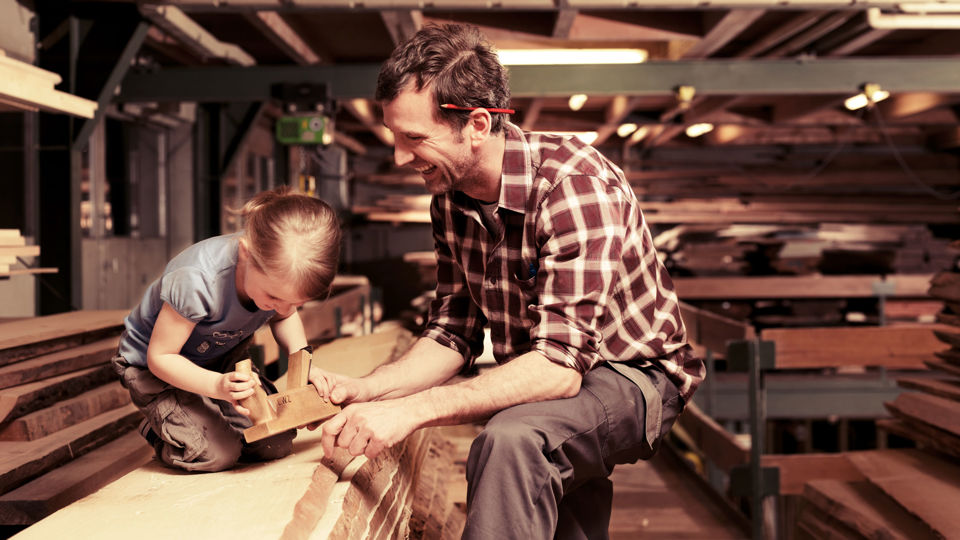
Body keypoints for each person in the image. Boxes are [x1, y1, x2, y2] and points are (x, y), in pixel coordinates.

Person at [313, 23, 704, 539]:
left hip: (632, 376)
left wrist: (413, 411)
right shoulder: (449, 200)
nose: (399, 157)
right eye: (394, 136)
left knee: (514, 441)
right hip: (549, 374)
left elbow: (561, 370)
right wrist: (370, 389)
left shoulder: (572, 187)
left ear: (477, 124)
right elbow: (453, 333)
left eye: (414, 138)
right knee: (552, 501)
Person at [113, 186, 341, 472]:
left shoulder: (275, 277)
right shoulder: (197, 280)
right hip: (158, 370)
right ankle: (160, 429)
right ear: (245, 254)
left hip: (221, 361)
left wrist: (305, 365)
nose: (282, 308)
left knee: (274, 442)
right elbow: (160, 358)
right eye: (273, 298)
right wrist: (217, 387)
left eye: (295, 302)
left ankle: (202, 415)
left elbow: (284, 318)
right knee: (216, 456)